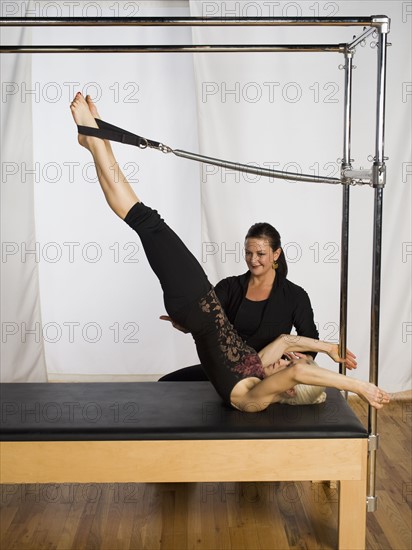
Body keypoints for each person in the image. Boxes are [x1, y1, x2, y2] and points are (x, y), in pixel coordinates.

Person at [70, 92, 390, 412]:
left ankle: (93, 137)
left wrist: (360, 386)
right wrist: (330, 348)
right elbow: (287, 342)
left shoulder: (251, 397)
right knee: (145, 221)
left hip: (196, 305)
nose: (284, 363)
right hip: (199, 303)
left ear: (289, 390)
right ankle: (93, 139)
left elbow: (297, 369)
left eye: (286, 372)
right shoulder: (256, 366)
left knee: (146, 221)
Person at [159, 220, 319, 381]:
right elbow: (206, 319)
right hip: (226, 369)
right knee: (166, 383)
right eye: (248, 253)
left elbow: (310, 337)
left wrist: (296, 364)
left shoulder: (295, 295)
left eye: (260, 254)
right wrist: (186, 324)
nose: (253, 259)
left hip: (266, 375)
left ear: (276, 254)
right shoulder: (229, 287)